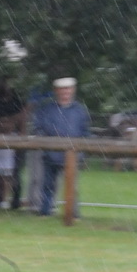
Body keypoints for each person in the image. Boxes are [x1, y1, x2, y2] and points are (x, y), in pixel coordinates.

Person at [36, 76, 91, 216]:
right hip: (50, 154)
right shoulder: (47, 109)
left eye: (68, 89)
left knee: (72, 185)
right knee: (48, 185)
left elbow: (85, 132)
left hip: (73, 155)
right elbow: (39, 128)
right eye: (62, 89)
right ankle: (45, 211)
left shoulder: (80, 110)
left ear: (73, 90)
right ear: (56, 91)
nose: (65, 92)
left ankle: (73, 213)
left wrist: (82, 152)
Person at [0, 77, 26, 208]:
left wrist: (17, 132)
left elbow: (21, 119)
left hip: (11, 140)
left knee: (7, 174)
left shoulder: (16, 101)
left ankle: (4, 200)